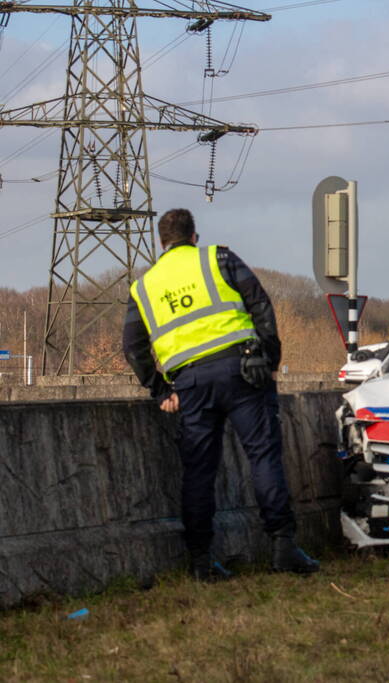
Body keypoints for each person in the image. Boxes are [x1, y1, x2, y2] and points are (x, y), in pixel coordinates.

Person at [122, 208, 319, 582]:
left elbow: (132, 346)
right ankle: (282, 546)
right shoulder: (218, 258)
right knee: (263, 457)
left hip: (191, 385)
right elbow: (260, 303)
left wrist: (160, 389)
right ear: (194, 236)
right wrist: (271, 358)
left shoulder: (143, 286)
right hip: (243, 372)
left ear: (161, 244)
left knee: (198, 472)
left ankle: (201, 561)